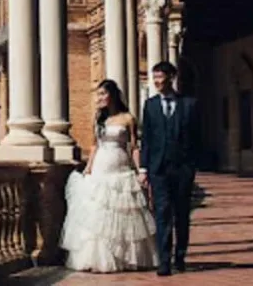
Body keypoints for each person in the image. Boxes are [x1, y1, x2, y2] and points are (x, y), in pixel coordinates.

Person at [60, 79, 159, 273]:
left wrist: (140, 170)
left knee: (123, 212)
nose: (100, 98)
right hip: (101, 167)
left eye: (103, 94)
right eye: (99, 94)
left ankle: (125, 258)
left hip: (121, 167)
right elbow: (94, 145)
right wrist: (88, 168)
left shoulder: (128, 118)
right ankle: (98, 258)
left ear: (113, 95)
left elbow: (134, 147)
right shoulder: (98, 118)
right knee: (99, 212)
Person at [139, 61, 201, 277]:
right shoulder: (150, 105)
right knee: (162, 213)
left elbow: (197, 138)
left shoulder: (190, 105)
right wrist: (144, 168)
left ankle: (180, 256)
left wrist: (192, 166)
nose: (156, 81)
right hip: (159, 169)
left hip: (183, 169)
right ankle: (164, 261)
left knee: (182, 214)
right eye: (154, 77)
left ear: (171, 77)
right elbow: (146, 138)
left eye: (160, 77)